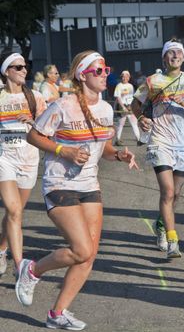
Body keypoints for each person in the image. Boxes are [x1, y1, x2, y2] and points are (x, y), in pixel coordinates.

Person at [16, 50, 138, 331]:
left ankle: (57, 313)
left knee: (89, 254)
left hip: (89, 186)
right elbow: (33, 135)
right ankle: (32, 270)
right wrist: (64, 150)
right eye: (98, 71)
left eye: (106, 69)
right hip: (59, 184)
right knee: (81, 249)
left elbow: (104, 148)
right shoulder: (63, 105)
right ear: (83, 75)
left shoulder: (106, 109)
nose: (105, 74)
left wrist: (118, 154)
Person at [131, 38, 184, 259]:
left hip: (183, 144)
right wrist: (142, 118)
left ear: (183, 57)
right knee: (168, 192)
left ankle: (162, 225)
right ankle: (173, 240)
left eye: (178, 53)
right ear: (164, 58)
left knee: (177, 193)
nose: (175, 56)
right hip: (160, 141)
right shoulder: (153, 81)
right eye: (171, 53)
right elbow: (136, 103)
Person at [0, 53, 46, 277]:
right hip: (4, 158)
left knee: (16, 213)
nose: (24, 70)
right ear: (7, 71)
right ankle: (20, 267)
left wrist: (34, 122)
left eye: (25, 67)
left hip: (28, 160)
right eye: (18, 67)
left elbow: (50, 128)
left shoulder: (35, 97)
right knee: (13, 209)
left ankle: (1, 249)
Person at [114, 70, 140, 146]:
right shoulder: (119, 86)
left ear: (129, 77)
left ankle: (138, 139)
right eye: (123, 76)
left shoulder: (130, 86)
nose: (124, 78)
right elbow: (118, 97)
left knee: (134, 123)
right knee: (121, 124)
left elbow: (131, 97)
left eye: (126, 76)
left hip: (129, 105)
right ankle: (118, 139)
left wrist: (132, 106)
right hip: (122, 105)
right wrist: (123, 107)